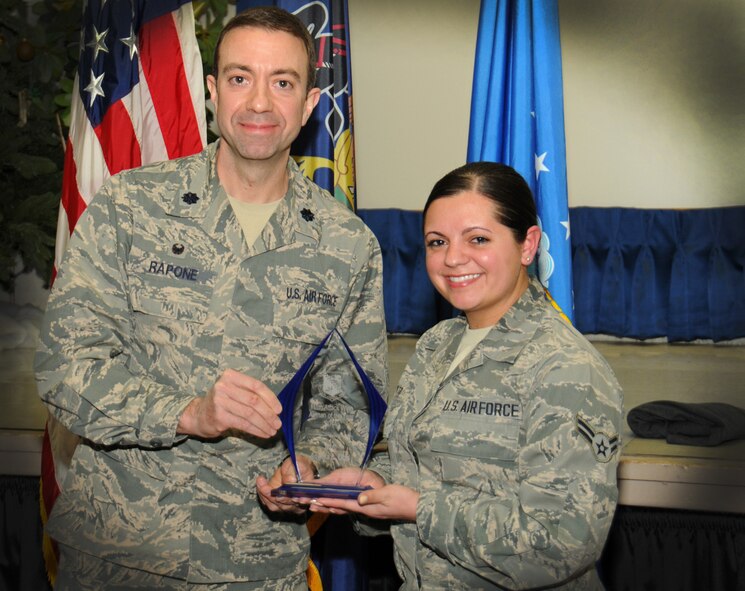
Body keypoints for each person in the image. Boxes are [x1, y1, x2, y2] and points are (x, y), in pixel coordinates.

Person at [35, 7, 387, 590]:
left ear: (307, 106)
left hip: (257, 563)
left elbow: (349, 408)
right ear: (211, 92)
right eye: (240, 77)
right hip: (119, 557)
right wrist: (188, 413)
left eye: (283, 82)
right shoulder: (130, 208)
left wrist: (310, 466)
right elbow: (64, 370)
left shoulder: (348, 247)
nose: (258, 102)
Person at [310, 162, 623, 590]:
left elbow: (563, 544)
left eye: (478, 239)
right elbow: (424, 460)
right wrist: (373, 481)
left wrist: (419, 508)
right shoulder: (437, 345)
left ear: (528, 244)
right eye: (437, 242)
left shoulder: (566, 368)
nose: (453, 258)